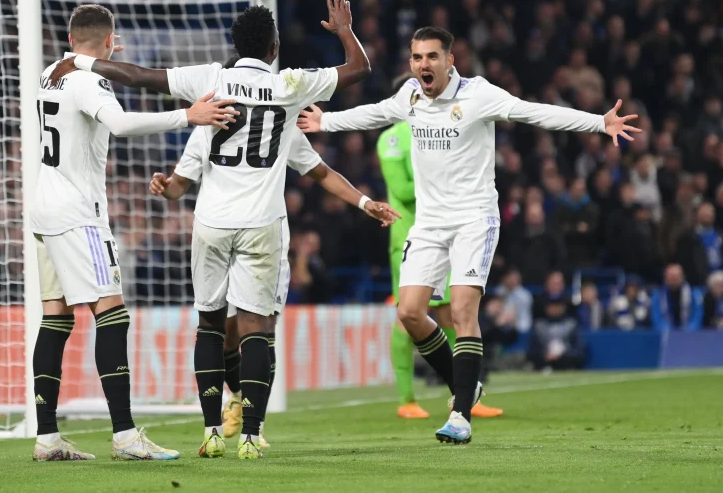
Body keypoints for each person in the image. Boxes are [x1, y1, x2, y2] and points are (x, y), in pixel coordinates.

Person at [49, 0, 371, 459]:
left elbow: (141, 77)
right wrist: (343, 28)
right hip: (261, 221)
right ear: (274, 46)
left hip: (211, 223)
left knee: (210, 326)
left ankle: (211, 432)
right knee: (257, 326)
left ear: (234, 44)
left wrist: (79, 60)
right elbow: (358, 68)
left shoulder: (212, 79)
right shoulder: (291, 84)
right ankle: (252, 435)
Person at [298, 25, 639, 444]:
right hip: (429, 222)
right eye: (418, 57)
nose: (424, 64)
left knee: (462, 312)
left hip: (474, 219)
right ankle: (466, 383)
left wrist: (598, 122)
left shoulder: (479, 95)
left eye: (432, 57)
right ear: (411, 62)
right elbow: (374, 113)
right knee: (409, 313)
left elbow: (534, 111)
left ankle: (460, 414)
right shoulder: (409, 96)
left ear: (449, 61)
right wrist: (325, 120)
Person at [31, 4, 238, 462]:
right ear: (109, 41)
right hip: (78, 213)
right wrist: (188, 115)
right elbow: (121, 125)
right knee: (113, 314)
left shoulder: (51, 71)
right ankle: (124, 435)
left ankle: (47, 438)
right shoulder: (88, 80)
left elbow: (82, 78)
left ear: (71, 40)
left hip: (44, 210)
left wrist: (97, 57)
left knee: (56, 318)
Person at [149, 124, 399, 448]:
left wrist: (365, 202)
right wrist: (166, 186)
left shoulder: (277, 126)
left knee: (261, 329)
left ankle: (255, 425)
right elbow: (177, 185)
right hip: (231, 236)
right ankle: (239, 398)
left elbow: (321, 172)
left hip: (257, 235)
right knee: (226, 335)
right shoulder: (211, 125)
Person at [377, 108, 502, 419]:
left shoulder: (443, 130)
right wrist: (450, 182)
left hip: (450, 233)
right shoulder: (392, 137)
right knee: (407, 315)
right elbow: (402, 190)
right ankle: (407, 399)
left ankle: (465, 392)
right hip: (410, 237)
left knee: (452, 314)